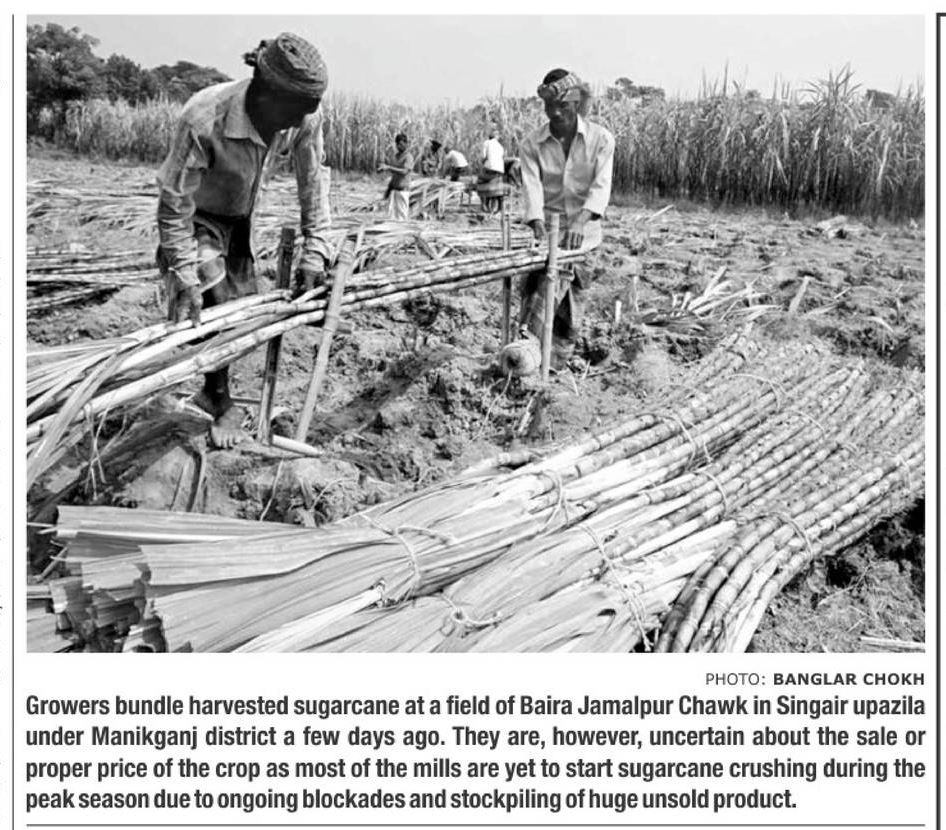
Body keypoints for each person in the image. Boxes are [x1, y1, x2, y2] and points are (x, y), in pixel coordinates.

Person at [156, 32, 334, 449]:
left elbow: (313, 183)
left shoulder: (303, 115)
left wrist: (315, 251)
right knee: (210, 298)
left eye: (306, 112)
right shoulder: (205, 117)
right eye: (293, 111)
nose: (298, 122)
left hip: (241, 219)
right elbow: (174, 202)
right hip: (196, 216)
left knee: (238, 313)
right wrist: (184, 273)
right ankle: (220, 400)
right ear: (264, 91)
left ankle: (210, 389)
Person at [518, 68, 615, 366]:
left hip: (584, 237)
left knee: (570, 306)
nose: (556, 112)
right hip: (547, 235)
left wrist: (580, 221)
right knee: (536, 296)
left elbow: (601, 186)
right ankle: (525, 357)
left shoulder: (601, 139)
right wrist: (536, 223)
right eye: (550, 106)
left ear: (578, 103)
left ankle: (556, 364)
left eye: (563, 105)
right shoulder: (532, 144)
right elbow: (532, 188)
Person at [379, 132, 413, 220]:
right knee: (391, 217)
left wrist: (389, 167)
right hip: (394, 191)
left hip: (403, 192)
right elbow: (394, 175)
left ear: (406, 143)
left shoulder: (408, 157)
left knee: (402, 217)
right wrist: (388, 190)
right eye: (397, 144)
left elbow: (404, 171)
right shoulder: (396, 156)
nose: (399, 146)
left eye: (401, 144)